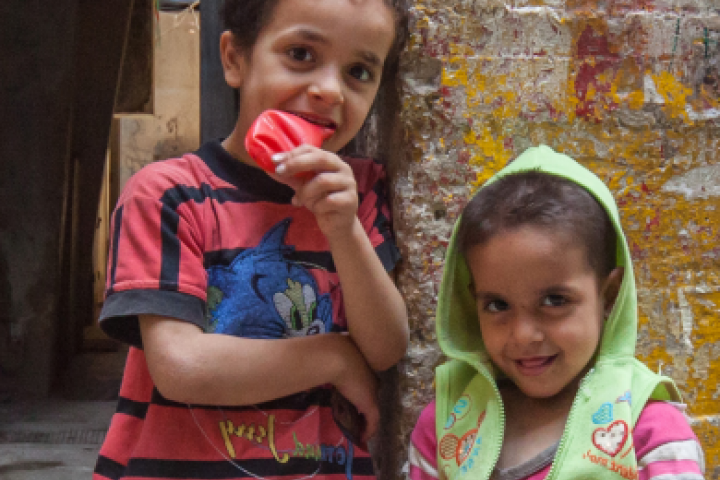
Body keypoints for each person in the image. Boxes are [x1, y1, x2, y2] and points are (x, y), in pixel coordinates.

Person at [93, 0, 409, 478]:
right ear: (235, 59)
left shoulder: (360, 194)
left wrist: (343, 231)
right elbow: (180, 365)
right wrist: (332, 357)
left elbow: (386, 348)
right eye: (301, 54)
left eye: (359, 71)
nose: (329, 90)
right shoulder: (169, 194)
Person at [408, 146, 705, 480]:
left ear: (607, 297)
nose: (523, 334)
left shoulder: (646, 430)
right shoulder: (448, 426)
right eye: (497, 305)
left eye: (554, 300)